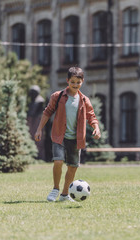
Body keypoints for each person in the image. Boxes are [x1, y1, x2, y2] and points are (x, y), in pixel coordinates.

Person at [34, 67, 101, 202]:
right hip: (59, 135)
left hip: (76, 139)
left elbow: (91, 116)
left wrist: (96, 127)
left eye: (78, 82)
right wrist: (39, 129)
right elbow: (47, 112)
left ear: (82, 81)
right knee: (58, 161)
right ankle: (55, 189)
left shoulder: (84, 100)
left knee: (72, 167)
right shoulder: (58, 96)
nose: (75, 85)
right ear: (67, 81)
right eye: (72, 82)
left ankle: (65, 195)